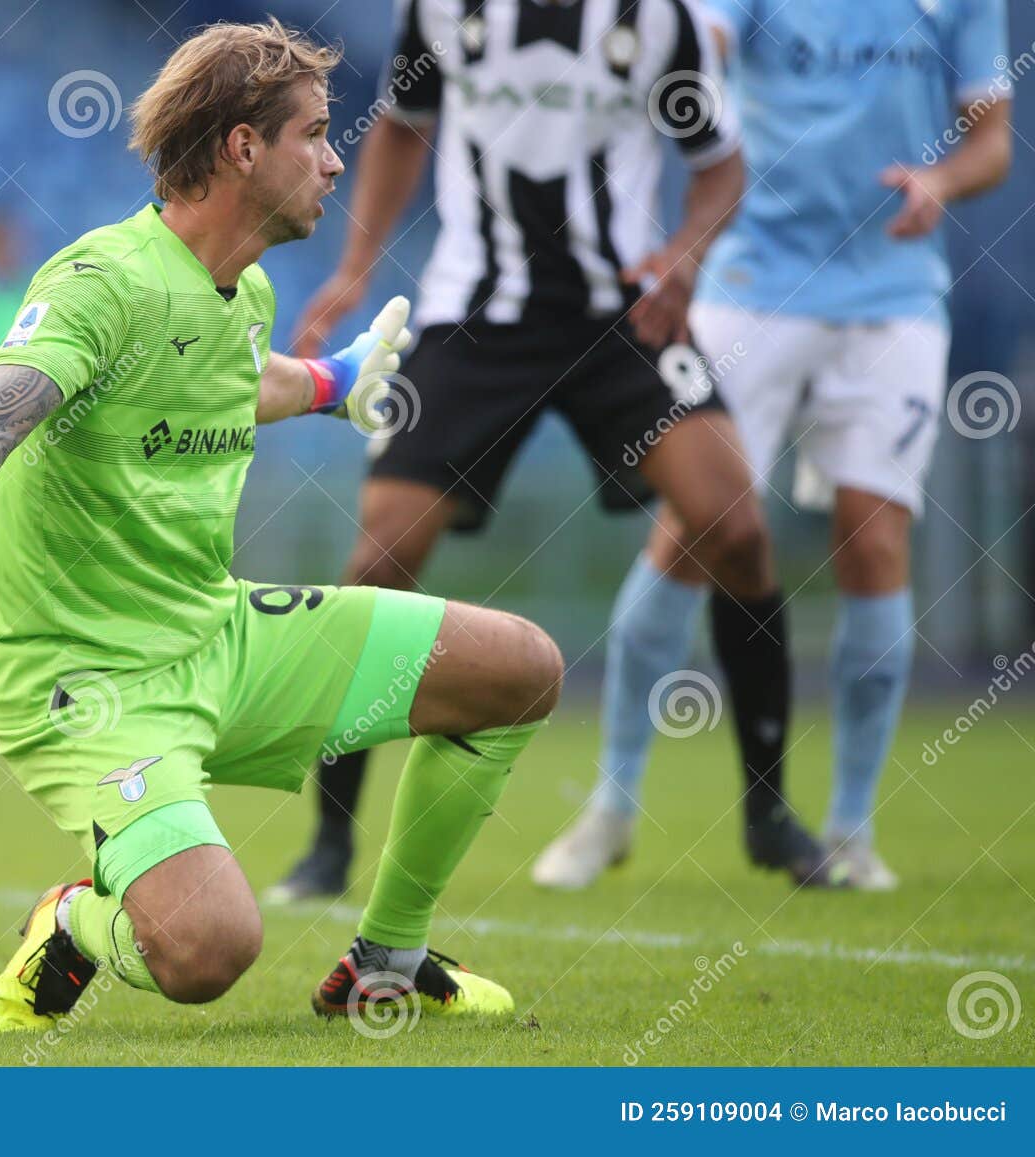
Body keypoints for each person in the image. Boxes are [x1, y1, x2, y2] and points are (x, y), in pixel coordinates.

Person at [0, 20, 564, 1032]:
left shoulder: (242, 289)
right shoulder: (100, 279)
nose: (336, 159)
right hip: (92, 680)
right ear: (242, 148)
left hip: (218, 634)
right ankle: (74, 921)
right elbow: (13, 396)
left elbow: (236, 379)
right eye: (315, 134)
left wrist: (339, 384)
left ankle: (384, 960)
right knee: (207, 949)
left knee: (519, 668)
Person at [272, 0, 836, 902]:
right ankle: (329, 841)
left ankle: (770, 816)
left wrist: (684, 259)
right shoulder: (442, 11)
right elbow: (402, 131)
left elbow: (720, 167)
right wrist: (356, 265)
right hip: (475, 320)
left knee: (736, 528)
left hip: (622, 313)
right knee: (380, 558)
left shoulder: (663, 21)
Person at [539, 0, 1012, 891]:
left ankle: (850, 829)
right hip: (751, 284)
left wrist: (941, 183)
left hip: (894, 293)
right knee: (696, 527)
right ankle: (611, 804)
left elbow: (993, 139)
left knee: (875, 542)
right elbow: (700, 44)